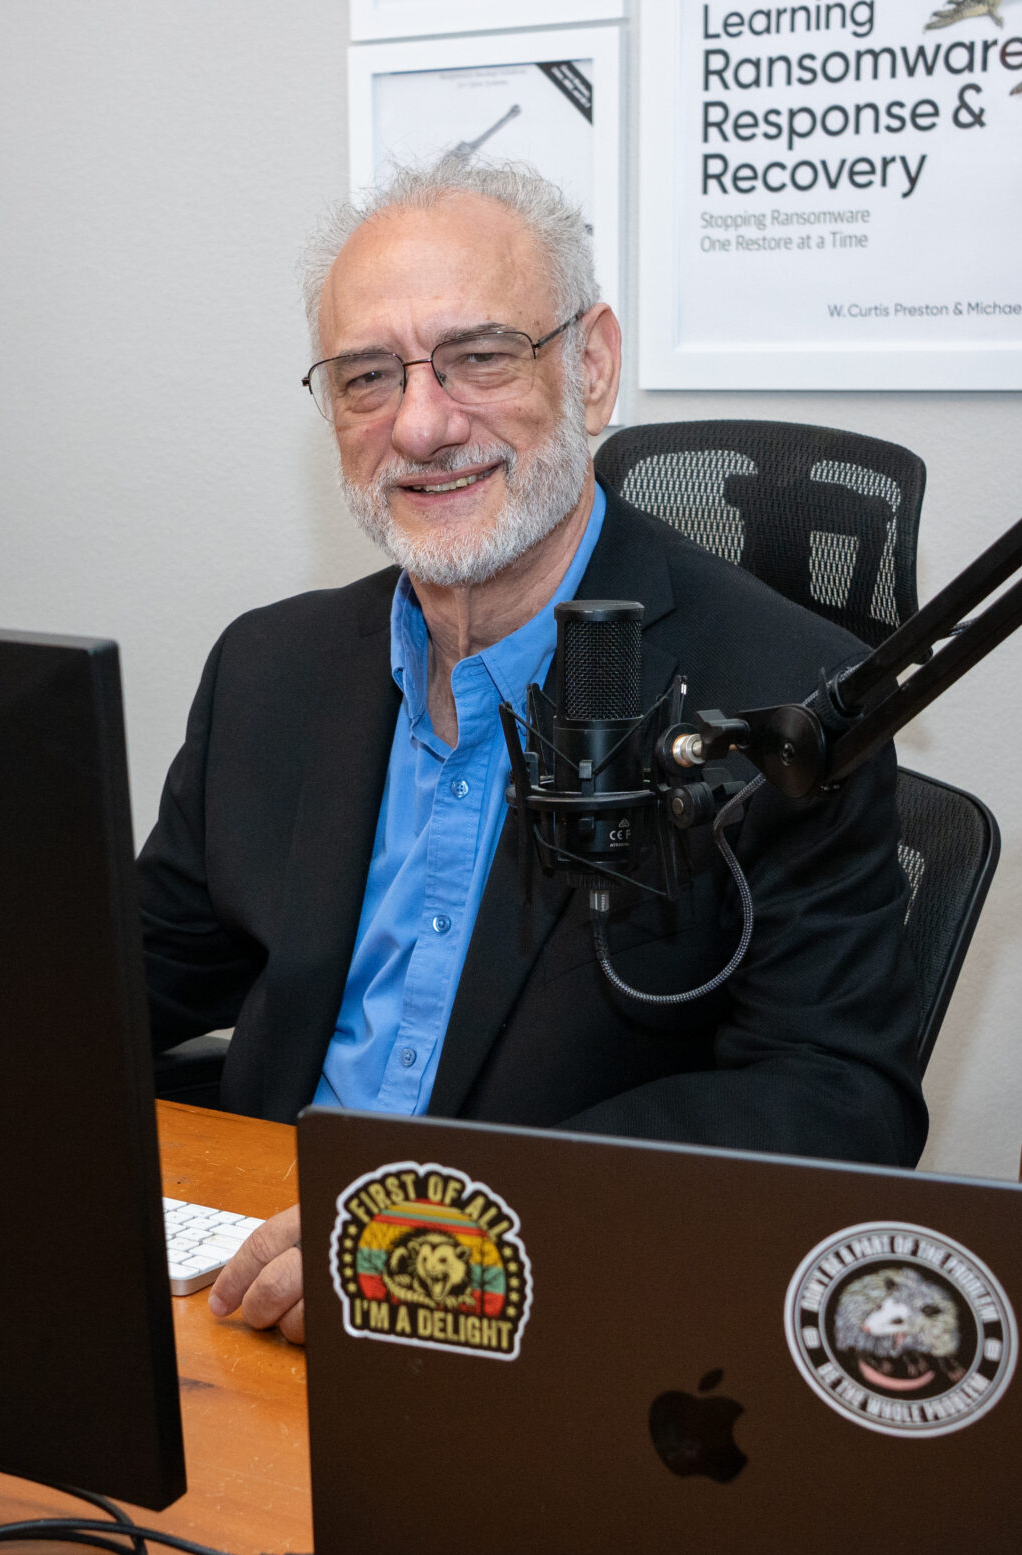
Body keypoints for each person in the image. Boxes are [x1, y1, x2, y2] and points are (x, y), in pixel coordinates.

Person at [136, 158, 926, 1345]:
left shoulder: (787, 703)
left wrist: (437, 1222)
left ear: (591, 365)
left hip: (560, 1310)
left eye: (480, 356)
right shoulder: (269, 670)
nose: (419, 422)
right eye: (367, 377)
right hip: (258, 1288)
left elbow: (833, 1100)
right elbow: (141, 967)